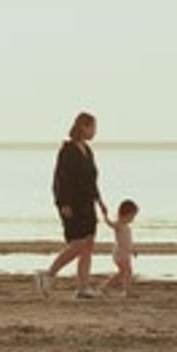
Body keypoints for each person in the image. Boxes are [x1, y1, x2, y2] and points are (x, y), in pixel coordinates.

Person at [35, 112, 107, 300]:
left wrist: (100, 201)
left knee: (89, 245)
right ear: (83, 127)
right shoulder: (67, 150)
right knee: (78, 244)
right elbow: (61, 179)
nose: (95, 132)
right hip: (72, 204)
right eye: (93, 127)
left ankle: (83, 287)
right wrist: (63, 202)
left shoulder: (87, 150)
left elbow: (92, 180)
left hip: (87, 203)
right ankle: (48, 275)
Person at [101, 199, 139, 297]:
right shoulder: (119, 224)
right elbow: (110, 224)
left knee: (123, 272)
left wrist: (133, 249)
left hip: (125, 253)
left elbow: (129, 241)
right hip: (120, 253)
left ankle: (106, 286)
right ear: (126, 214)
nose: (133, 219)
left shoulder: (126, 226)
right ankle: (127, 291)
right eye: (132, 216)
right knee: (127, 272)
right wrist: (105, 216)